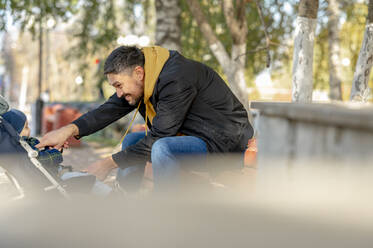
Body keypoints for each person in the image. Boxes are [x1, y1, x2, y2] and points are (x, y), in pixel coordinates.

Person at [36, 46, 254, 191]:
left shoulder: (176, 79)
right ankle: (123, 200)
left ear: (138, 73)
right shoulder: (147, 79)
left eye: (119, 86)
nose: (118, 93)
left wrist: (105, 164)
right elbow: (108, 110)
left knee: (162, 148)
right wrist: (68, 130)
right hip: (196, 135)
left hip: (225, 140)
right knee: (132, 140)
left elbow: (160, 137)